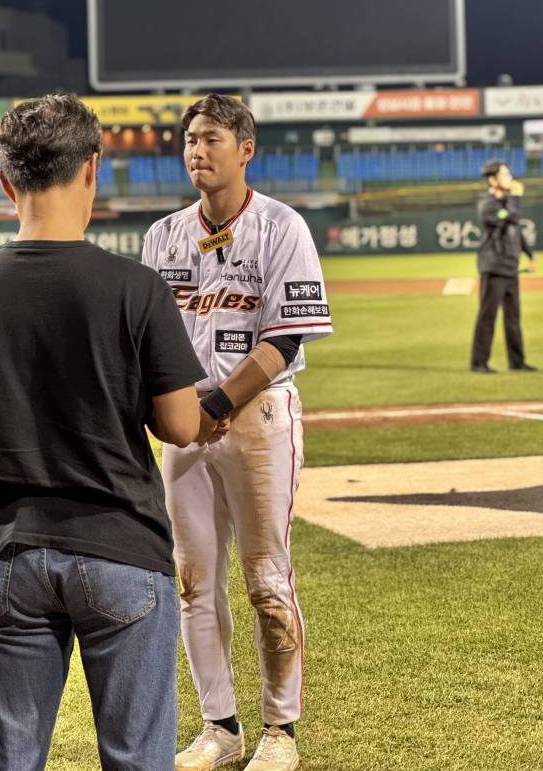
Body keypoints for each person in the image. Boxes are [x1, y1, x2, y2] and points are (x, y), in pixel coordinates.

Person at [0, 94, 204, 771]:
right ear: (93, 169)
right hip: (121, 548)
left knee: (12, 760)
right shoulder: (136, 287)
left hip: (13, 550)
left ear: (5, 181)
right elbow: (181, 424)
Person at [142, 93, 333, 771]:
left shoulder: (282, 226)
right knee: (193, 578)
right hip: (184, 425)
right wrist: (172, 409)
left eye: (212, 138)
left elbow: (286, 336)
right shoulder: (162, 235)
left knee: (266, 579)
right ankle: (218, 725)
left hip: (257, 419)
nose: (197, 149)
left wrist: (219, 400)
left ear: (246, 148)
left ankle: (281, 729)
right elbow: (149, 340)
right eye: (190, 138)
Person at [470, 159, 537, 373]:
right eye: (505, 175)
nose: (510, 178)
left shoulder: (508, 203)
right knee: (487, 317)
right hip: (494, 266)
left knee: (513, 318)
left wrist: (530, 255)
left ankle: (517, 362)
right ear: (492, 179)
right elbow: (511, 217)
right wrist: (516, 197)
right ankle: (479, 362)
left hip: (511, 267)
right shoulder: (488, 204)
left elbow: (515, 227)